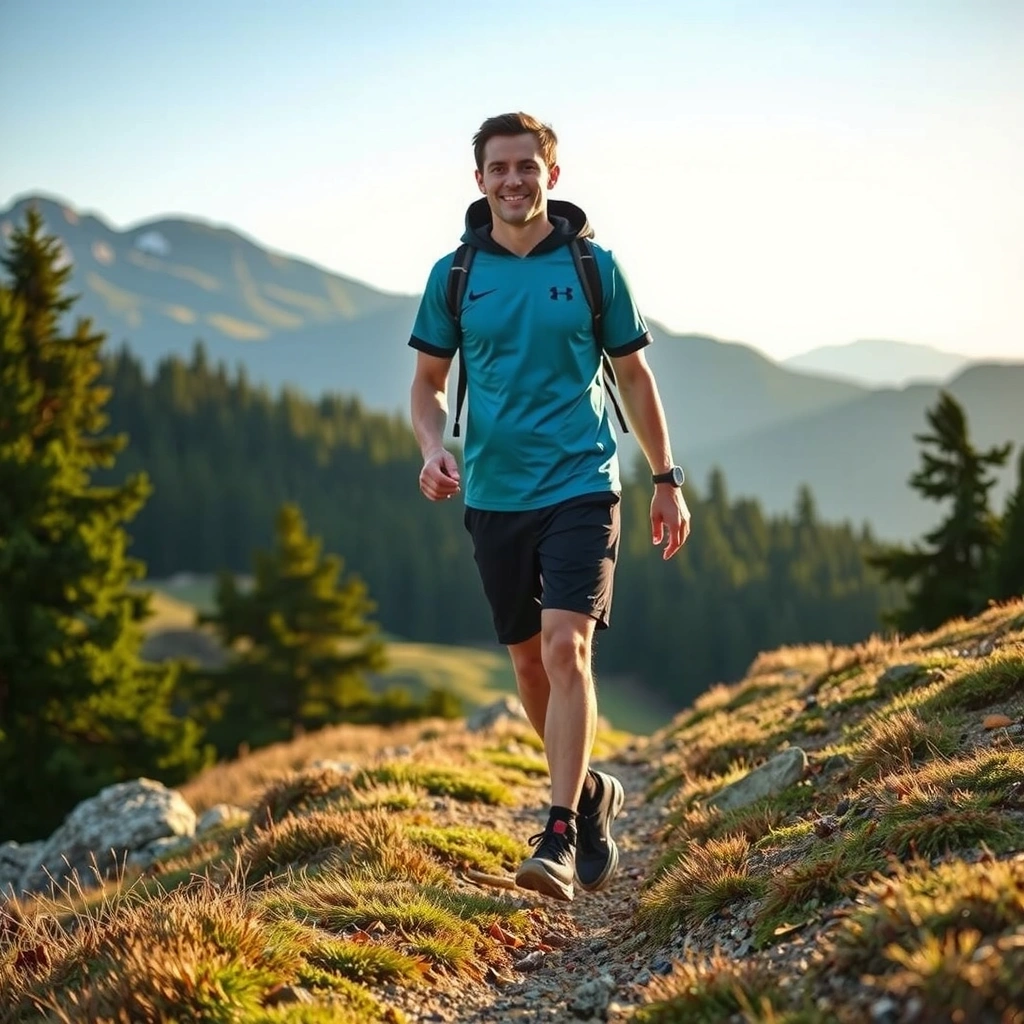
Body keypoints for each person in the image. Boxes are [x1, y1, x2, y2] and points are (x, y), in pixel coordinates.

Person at [409, 112, 690, 902]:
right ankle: (592, 789)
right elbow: (427, 386)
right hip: (495, 493)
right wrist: (433, 449)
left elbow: (634, 378)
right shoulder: (455, 274)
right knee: (529, 662)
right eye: (498, 168)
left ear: (552, 176)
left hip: (583, 481)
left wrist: (666, 478)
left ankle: (560, 833)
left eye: (527, 167)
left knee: (568, 649)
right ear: (479, 181)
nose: (513, 180)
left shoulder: (594, 266)